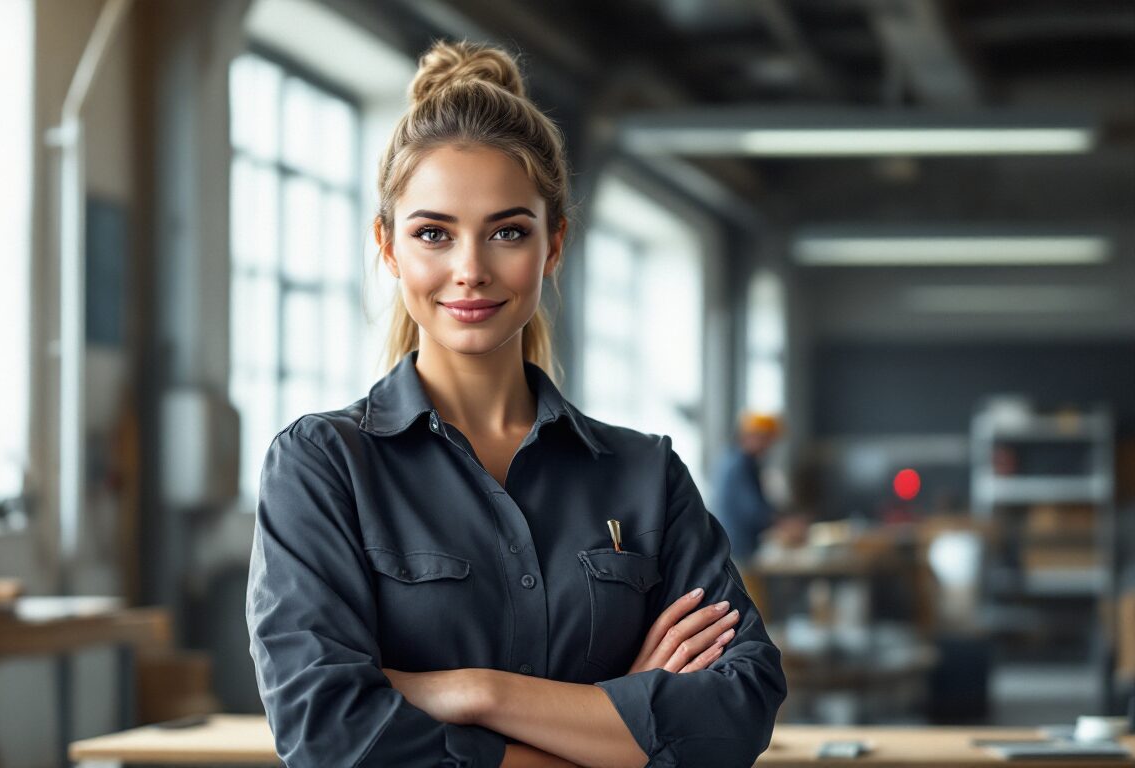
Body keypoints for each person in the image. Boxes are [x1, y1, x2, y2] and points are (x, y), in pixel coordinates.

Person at [246, 40, 785, 768]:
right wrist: (610, 724)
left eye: (507, 232)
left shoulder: (645, 475)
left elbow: (738, 710)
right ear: (387, 245)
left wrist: (474, 693)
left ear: (554, 244)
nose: (469, 270)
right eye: (433, 233)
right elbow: (330, 735)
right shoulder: (323, 467)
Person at [711, 411, 784, 566]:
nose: (769, 446)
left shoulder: (734, 459)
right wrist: (783, 524)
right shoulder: (740, 464)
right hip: (737, 549)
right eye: (766, 439)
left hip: (732, 546)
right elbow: (754, 510)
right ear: (751, 436)